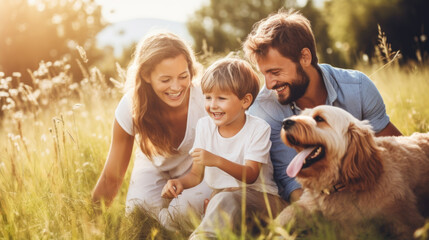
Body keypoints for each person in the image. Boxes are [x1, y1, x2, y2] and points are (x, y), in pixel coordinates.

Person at [242, 9, 402, 203]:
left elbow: (398, 150)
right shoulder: (264, 109)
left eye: (275, 72)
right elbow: (291, 181)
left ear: (305, 57)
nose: (268, 84)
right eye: (264, 74)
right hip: (315, 199)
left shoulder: (358, 88)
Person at [91, 31, 212, 231]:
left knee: (180, 217)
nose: (176, 87)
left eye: (183, 76)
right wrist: (89, 223)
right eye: (165, 80)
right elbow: (111, 177)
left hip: (198, 169)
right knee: (140, 218)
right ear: (146, 75)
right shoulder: (130, 106)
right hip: (154, 164)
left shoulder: (206, 97)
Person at [161, 58, 286, 239]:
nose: (213, 105)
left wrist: (216, 160)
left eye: (221, 98)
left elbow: (251, 175)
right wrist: (179, 182)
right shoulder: (205, 126)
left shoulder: (258, 128)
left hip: (263, 200)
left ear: (245, 101)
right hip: (222, 199)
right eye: (208, 97)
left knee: (224, 201)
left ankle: (203, 235)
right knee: (184, 208)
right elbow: (196, 175)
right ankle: (207, 221)